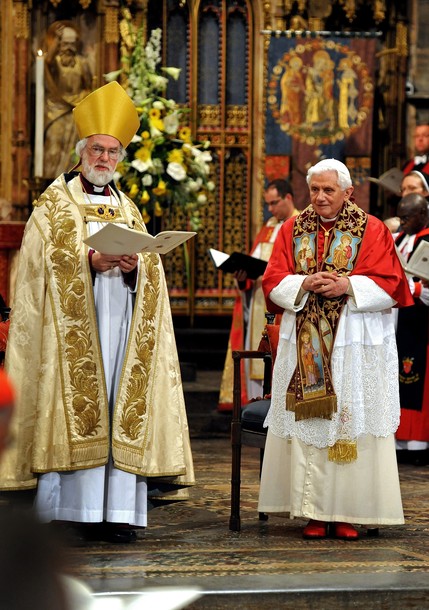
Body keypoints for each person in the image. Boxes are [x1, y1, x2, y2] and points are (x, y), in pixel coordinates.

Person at [0, 81, 194, 543]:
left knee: (117, 405)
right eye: (97, 150)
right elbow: (34, 265)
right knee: (79, 406)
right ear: (82, 152)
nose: (104, 158)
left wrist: (136, 267)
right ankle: (72, 510)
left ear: (120, 158)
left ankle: (118, 512)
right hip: (73, 333)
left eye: (112, 151)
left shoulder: (128, 208)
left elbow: (151, 267)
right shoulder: (55, 204)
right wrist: (88, 261)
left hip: (122, 327)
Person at [258, 158, 413, 540]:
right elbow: (273, 280)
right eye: (315, 189)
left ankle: (346, 510)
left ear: (348, 192)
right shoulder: (293, 229)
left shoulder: (372, 229)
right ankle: (311, 511)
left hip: (353, 343)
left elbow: (392, 284)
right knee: (310, 425)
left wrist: (349, 286)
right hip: (306, 345)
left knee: (350, 420)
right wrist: (303, 282)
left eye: (329, 190)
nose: (320, 197)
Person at [218, 178, 298, 410]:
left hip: (281, 304)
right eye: (268, 204)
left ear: (288, 198)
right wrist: (243, 277)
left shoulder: (300, 224)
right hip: (258, 303)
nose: (270, 209)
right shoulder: (268, 227)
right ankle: (254, 405)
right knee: (256, 355)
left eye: (274, 203)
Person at [394, 193, 429, 464]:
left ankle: (417, 443)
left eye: (407, 218)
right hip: (398, 320)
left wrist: (415, 288)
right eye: (400, 218)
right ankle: (398, 441)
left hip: (420, 323)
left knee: (416, 380)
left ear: (423, 215)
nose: (402, 223)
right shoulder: (398, 239)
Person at [43, 20, 93, 179]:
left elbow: (89, 87)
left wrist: (83, 100)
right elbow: (47, 62)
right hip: (56, 110)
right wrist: (56, 41)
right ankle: (51, 182)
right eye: (64, 43)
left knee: (74, 150)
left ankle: (72, 182)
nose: (68, 48)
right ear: (58, 44)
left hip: (77, 111)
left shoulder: (82, 63)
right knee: (54, 147)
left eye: (72, 44)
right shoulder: (55, 62)